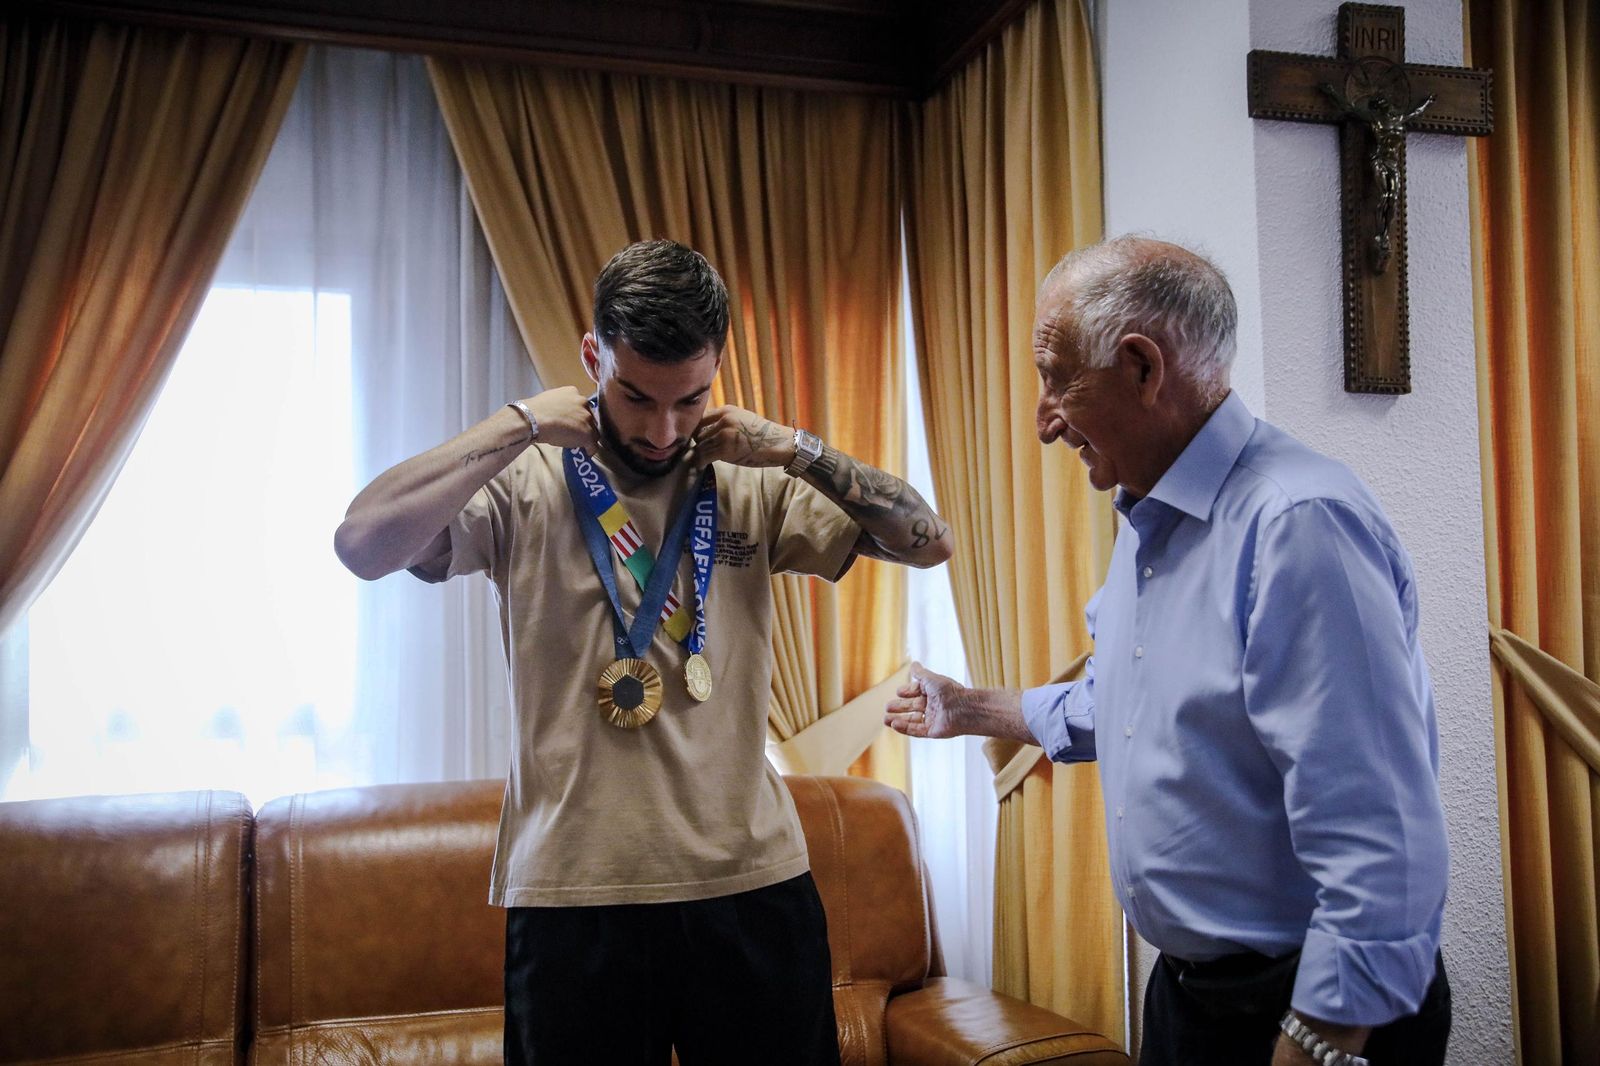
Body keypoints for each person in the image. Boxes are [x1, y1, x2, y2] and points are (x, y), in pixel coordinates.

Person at [335, 239, 950, 1065]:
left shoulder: (749, 481)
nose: (663, 430)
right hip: (573, 898)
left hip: (753, 889)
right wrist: (515, 425)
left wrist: (794, 449)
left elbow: (927, 541)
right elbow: (361, 543)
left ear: (717, 369)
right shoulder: (525, 481)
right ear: (593, 356)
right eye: (635, 397)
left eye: (689, 399)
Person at [885, 236, 1451, 1066]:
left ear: (1144, 368)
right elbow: (1130, 706)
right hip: (1194, 999)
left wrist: (1316, 1039)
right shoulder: (1151, 515)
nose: (1043, 421)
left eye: (1056, 377)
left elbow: (1382, 835)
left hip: (1307, 1010)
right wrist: (968, 709)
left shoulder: (1297, 524)